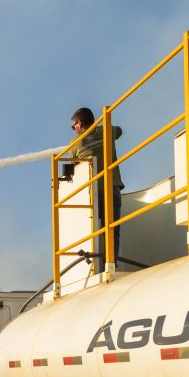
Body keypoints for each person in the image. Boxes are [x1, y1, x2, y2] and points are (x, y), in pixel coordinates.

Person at [69, 107, 123, 274]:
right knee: (112, 226)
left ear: (80, 123)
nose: (74, 129)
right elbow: (119, 131)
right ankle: (111, 262)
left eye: (73, 126)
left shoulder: (75, 143)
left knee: (93, 227)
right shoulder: (107, 129)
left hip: (93, 191)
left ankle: (96, 266)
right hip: (112, 186)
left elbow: (73, 165)